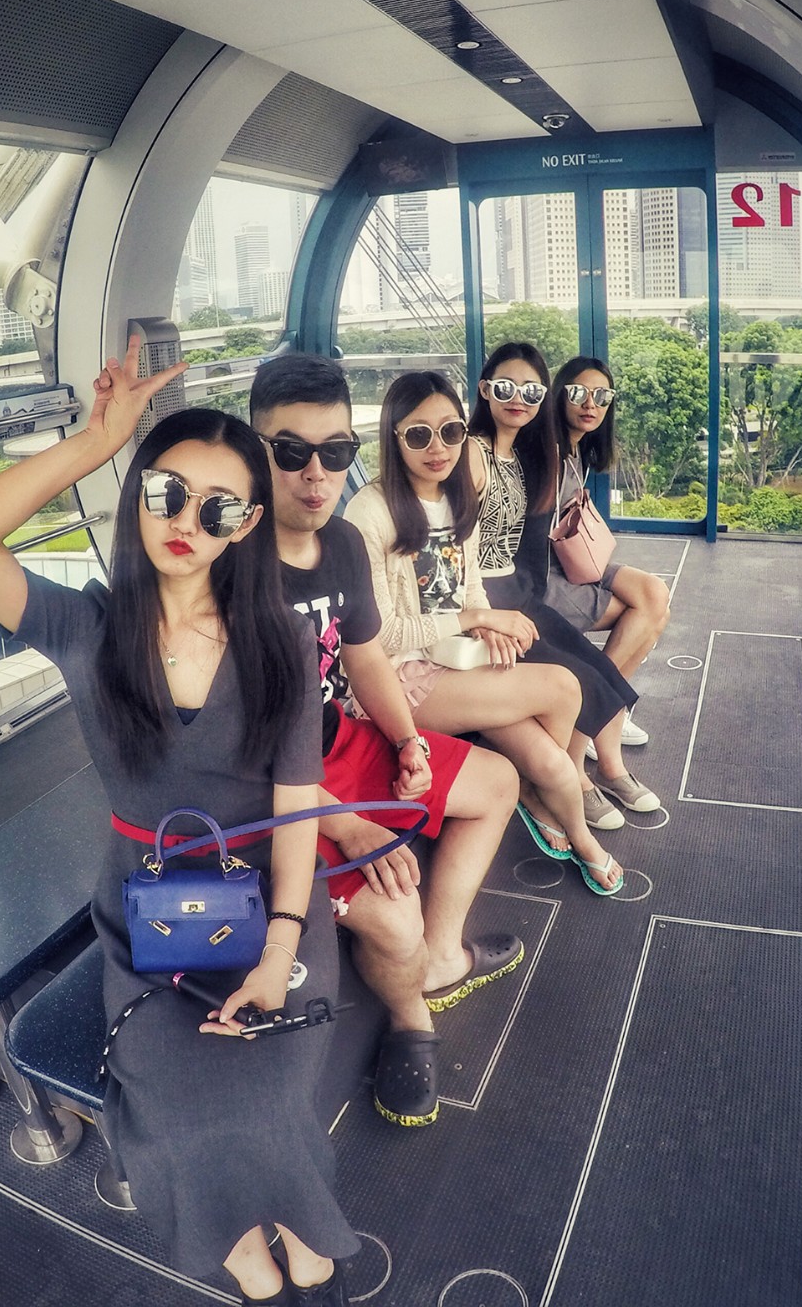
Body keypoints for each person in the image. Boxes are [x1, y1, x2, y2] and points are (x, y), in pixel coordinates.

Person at [0, 338, 354, 1305]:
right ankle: (245, 1244)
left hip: (273, 905)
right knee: (176, 1098)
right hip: (147, 913)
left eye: (217, 508)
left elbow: (298, 807)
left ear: (247, 525)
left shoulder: (284, 644)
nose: (185, 522)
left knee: (269, 1093)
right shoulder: (87, 630)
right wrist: (98, 442)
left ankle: (302, 1236)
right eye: (166, 493)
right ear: (138, 498)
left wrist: (279, 945)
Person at [247, 352, 524, 1130]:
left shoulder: (338, 544)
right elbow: (241, 746)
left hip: (339, 738)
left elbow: (365, 656)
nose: (316, 473)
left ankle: (441, 959)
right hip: (271, 791)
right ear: (256, 451)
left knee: (497, 783)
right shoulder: (232, 570)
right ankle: (411, 1019)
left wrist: (407, 740)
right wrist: (347, 824)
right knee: (393, 916)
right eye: (290, 451)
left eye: (335, 451)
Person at [345, 370, 628, 897]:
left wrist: (484, 624)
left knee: (549, 753)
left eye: (451, 432)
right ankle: (573, 827)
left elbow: (471, 586)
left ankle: (544, 794)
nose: (438, 448)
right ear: (393, 437)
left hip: (455, 659)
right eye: (419, 435)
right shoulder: (371, 510)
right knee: (562, 687)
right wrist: (477, 620)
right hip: (400, 680)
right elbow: (380, 636)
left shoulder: (458, 497)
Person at [467, 341, 659, 829]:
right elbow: (460, 543)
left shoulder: (518, 454)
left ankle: (605, 757)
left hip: (522, 586)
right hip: (509, 591)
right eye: (506, 388)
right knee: (588, 672)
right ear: (485, 390)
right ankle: (577, 771)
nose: (519, 399)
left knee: (608, 659)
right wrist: (480, 613)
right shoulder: (481, 454)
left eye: (530, 391)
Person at [529, 356, 674, 722]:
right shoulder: (547, 454)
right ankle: (598, 708)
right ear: (559, 396)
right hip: (549, 578)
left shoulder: (577, 450)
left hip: (576, 562)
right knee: (645, 617)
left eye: (602, 396)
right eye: (578, 393)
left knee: (655, 595)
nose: (590, 404)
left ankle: (605, 706)